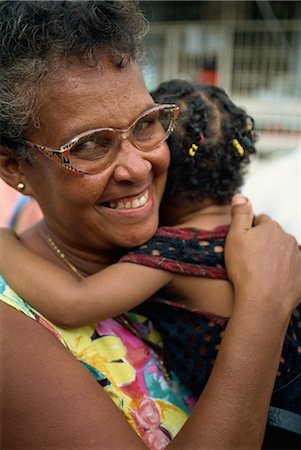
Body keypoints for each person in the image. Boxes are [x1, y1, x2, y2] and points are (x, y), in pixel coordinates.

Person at [0, 2, 301, 449]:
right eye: (91, 145)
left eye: (146, 125)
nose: (138, 168)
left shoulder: (191, 247)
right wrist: (264, 307)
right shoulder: (12, 337)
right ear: (12, 167)